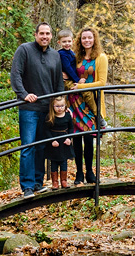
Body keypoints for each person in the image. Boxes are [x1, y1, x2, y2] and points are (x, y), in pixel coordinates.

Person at [10, 22, 65, 198]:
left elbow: (58, 83)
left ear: (51, 36)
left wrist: (60, 105)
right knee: (28, 146)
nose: (45, 37)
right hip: (29, 108)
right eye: (41, 33)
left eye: (48, 34)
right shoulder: (24, 50)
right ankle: (26, 186)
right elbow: (15, 74)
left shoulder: (55, 55)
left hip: (47, 109)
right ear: (35, 35)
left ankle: (37, 182)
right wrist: (24, 94)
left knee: (41, 146)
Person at [68, 26, 108, 185]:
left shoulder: (101, 57)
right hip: (75, 101)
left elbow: (102, 83)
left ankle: (90, 172)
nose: (86, 40)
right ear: (80, 40)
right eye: (84, 38)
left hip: (91, 104)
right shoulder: (76, 57)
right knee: (76, 138)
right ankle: (78, 173)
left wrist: (81, 87)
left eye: (89, 38)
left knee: (89, 137)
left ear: (94, 39)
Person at [57, 29, 98, 120]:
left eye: (69, 41)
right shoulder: (62, 54)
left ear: (73, 41)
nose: (67, 44)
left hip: (73, 79)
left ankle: (96, 114)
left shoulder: (72, 53)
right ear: (59, 42)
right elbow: (68, 68)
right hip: (67, 81)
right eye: (64, 42)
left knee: (87, 93)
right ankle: (97, 114)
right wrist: (78, 80)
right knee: (86, 92)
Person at [42, 95, 74, 189]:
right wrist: (52, 140)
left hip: (64, 141)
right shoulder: (50, 116)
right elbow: (46, 130)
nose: (60, 108)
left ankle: (64, 181)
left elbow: (71, 128)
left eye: (62, 106)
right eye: (57, 106)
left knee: (64, 161)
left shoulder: (67, 116)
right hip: (54, 141)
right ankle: (55, 182)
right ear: (53, 106)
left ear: (65, 105)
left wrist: (69, 138)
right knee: (54, 162)